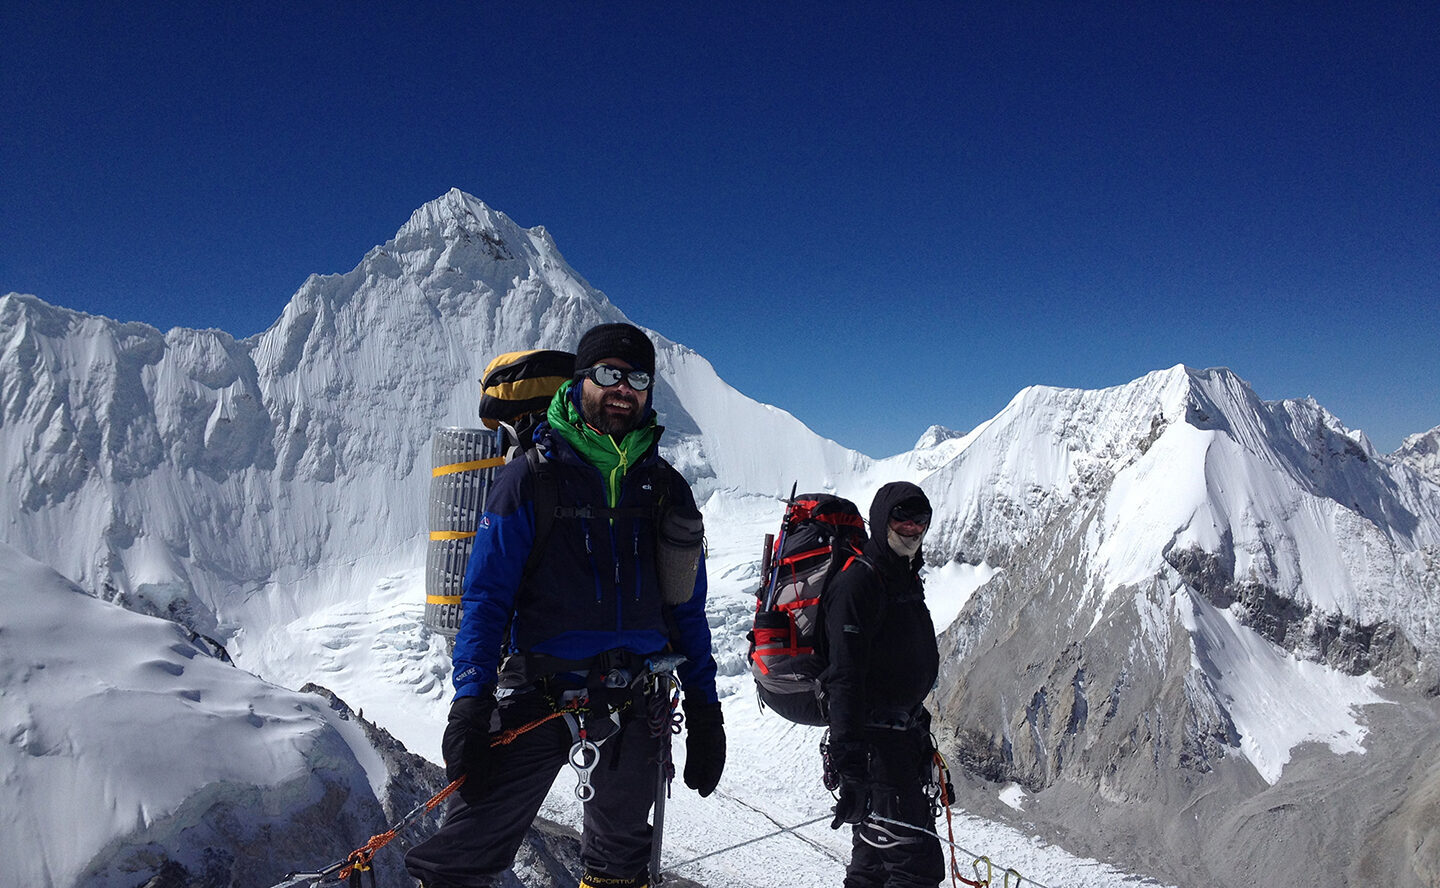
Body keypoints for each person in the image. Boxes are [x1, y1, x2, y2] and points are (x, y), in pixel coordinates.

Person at [406, 323, 726, 888]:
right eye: (609, 374)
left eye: (638, 378)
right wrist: (470, 704)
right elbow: (486, 598)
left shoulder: (667, 489)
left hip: (638, 700)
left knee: (621, 867)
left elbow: (686, 609)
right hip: (541, 693)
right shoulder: (530, 478)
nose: (624, 388)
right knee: (460, 855)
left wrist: (705, 707)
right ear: (581, 381)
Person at [823, 481, 945, 888]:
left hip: (900, 740)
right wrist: (851, 767)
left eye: (920, 520)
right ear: (881, 521)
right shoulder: (860, 582)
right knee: (916, 869)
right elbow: (844, 677)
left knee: (873, 867)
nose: (911, 528)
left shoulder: (903, 575)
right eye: (901, 519)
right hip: (876, 751)